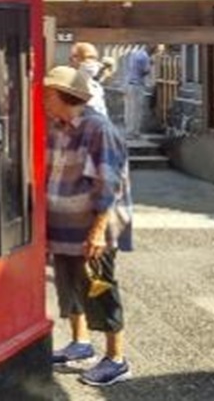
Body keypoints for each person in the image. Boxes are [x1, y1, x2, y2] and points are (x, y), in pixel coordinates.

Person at [44, 65, 133, 387]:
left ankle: (117, 358)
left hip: (93, 229)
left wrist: (97, 231)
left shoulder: (99, 129)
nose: (43, 99)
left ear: (63, 95)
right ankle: (80, 343)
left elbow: (109, 186)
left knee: (100, 288)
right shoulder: (57, 126)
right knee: (69, 285)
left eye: (48, 94)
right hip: (64, 224)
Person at [122, 45, 155, 139]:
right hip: (136, 85)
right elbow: (145, 70)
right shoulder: (145, 56)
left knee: (128, 109)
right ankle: (133, 132)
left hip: (128, 83)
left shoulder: (135, 53)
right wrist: (151, 63)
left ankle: (129, 130)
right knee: (136, 110)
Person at [69, 42, 108, 119]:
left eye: (94, 58)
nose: (92, 62)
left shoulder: (96, 87)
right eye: (88, 57)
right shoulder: (69, 85)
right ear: (74, 59)